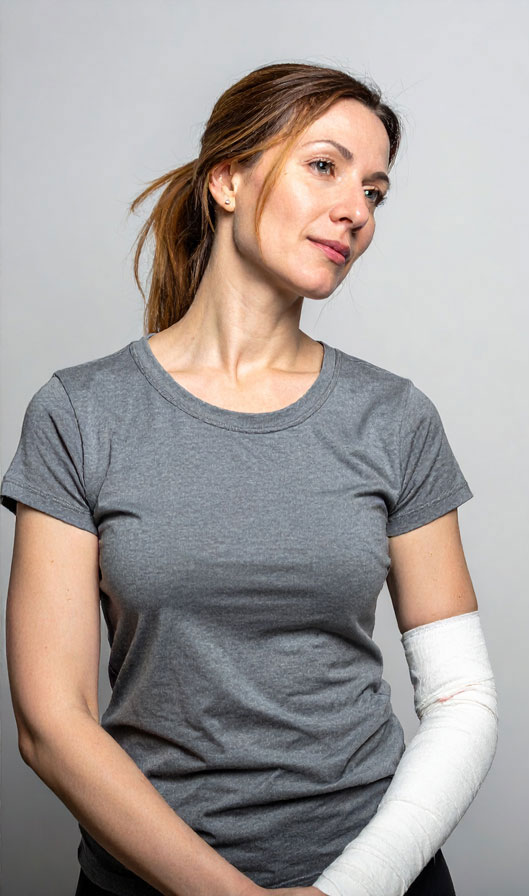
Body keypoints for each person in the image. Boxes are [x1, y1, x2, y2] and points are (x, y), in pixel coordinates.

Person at [2, 63, 496, 896]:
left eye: (376, 191)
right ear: (228, 179)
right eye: (325, 166)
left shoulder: (396, 418)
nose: (356, 212)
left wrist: (352, 886)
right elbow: (51, 723)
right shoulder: (79, 413)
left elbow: (461, 699)